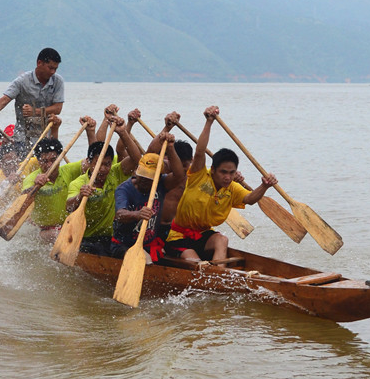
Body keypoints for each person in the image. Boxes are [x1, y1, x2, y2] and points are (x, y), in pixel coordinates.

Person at [164, 106, 278, 262]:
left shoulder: (232, 188)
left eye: (232, 173)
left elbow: (250, 199)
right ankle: (212, 274)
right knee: (196, 263)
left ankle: (219, 275)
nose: (228, 177)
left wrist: (264, 186)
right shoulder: (199, 176)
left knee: (222, 240)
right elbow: (199, 152)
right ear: (213, 170)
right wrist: (209, 122)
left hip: (203, 234)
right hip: (178, 236)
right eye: (223, 172)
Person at [66, 117, 142, 255]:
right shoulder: (78, 183)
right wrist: (80, 196)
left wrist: (123, 132)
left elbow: (138, 160)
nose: (103, 169)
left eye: (107, 164)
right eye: (99, 163)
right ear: (89, 162)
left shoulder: (115, 173)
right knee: (98, 250)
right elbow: (69, 207)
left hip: (112, 236)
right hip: (87, 238)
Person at [111, 131, 185, 263]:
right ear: (136, 171)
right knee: (145, 261)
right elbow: (120, 214)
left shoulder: (161, 183)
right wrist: (137, 214)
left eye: (150, 176)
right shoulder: (124, 189)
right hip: (123, 244)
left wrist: (171, 148)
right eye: (142, 174)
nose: (145, 179)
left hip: (149, 244)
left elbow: (179, 176)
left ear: (156, 176)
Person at [0, 48, 64, 149]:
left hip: (46, 136)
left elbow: (58, 108)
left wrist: (35, 111)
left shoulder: (58, 81)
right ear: (39, 63)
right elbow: (3, 101)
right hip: (23, 137)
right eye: (50, 68)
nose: (53, 72)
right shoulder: (22, 81)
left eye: (55, 69)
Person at [20, 117, 95, 243]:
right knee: (61, 234)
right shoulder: (32, 178)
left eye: (53, 160)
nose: (50, 165)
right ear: (38, 161)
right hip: (41, 230)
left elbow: (93, 161)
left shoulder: (67, 171)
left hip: (63, 226)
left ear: (60, 158)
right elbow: (21, 203)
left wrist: (90, 132)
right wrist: (34, 186)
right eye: (45, 161)